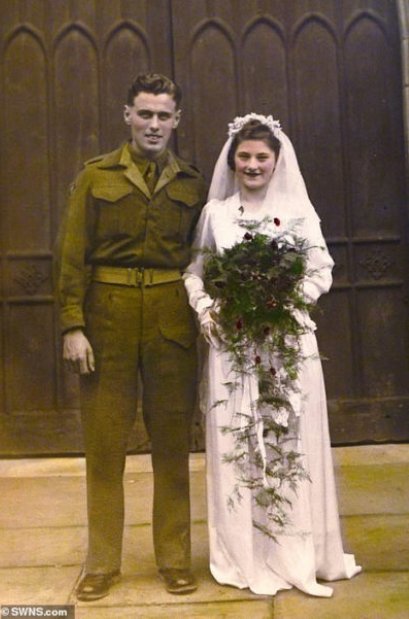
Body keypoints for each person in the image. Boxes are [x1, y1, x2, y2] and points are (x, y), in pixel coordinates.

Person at [183, 114, 362, 596]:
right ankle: (246, 556)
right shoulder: (216, 215)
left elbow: (321, 270)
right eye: (244, 156)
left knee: (288, 444)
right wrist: (208, 308)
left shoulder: (299, 213)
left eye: (262, 157)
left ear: (277, 161)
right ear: (232, 160)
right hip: (235, 345)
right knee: (240, 446)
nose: (252, 165)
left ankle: (295, 555)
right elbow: (195, 272)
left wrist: (284, 301)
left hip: (285, 343)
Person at [56, 73, 207, 600]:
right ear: (127, 115)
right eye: (145, 114)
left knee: (171, 445)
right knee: (104, 447)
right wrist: (73, 324)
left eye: (164, 116)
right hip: (108, 321)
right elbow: (72, 255)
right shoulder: (95, 177)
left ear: (177, 121)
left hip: (171, 321)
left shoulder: (193, 182)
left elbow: (204, 254)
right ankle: (101, 563)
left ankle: (175, 559)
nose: (154, 125)